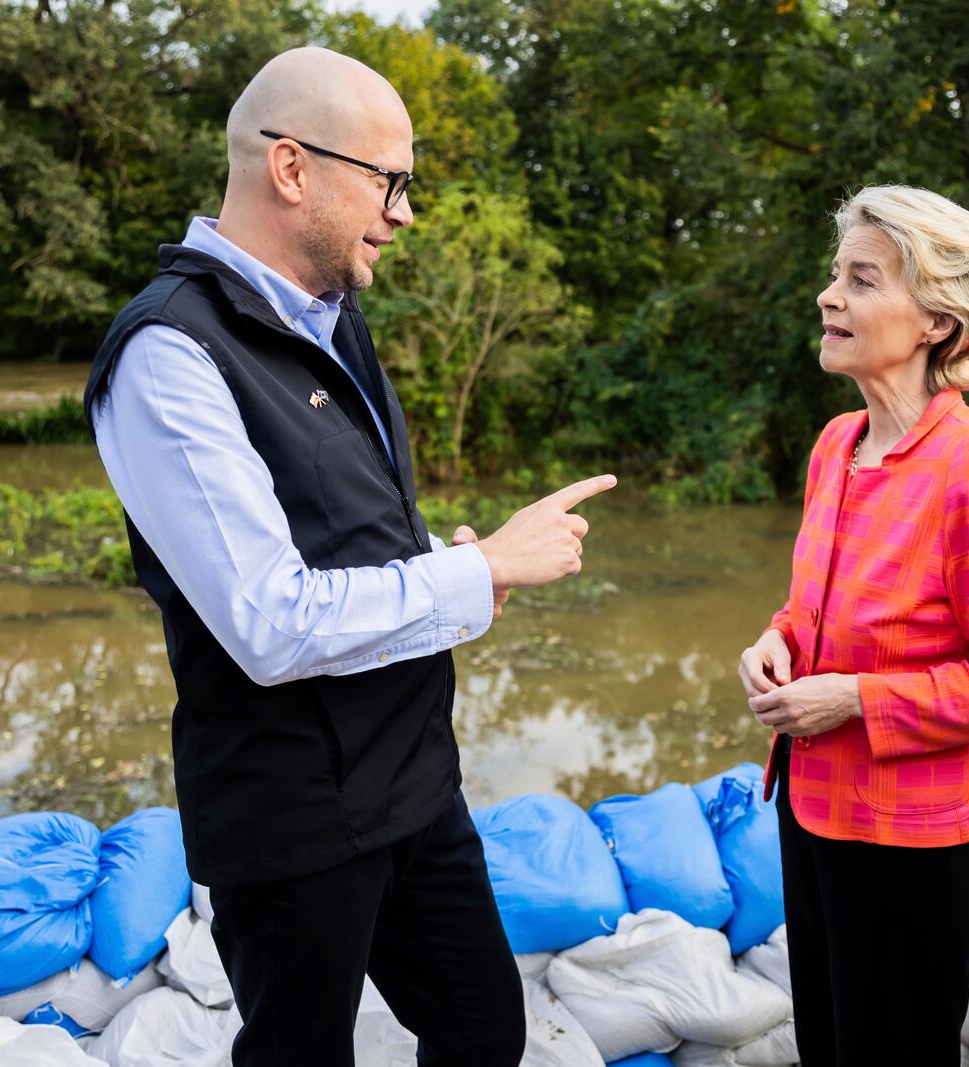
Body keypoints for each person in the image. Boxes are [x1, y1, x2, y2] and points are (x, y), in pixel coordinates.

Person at [82, 46, 614, 1067]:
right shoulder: (170, 354)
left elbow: (341, 517)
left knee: (480, 1026)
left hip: (412, 780)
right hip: (292, 818)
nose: (404, 212)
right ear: (292, 168)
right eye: (388, 181)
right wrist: (482, 569)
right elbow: (270, 621)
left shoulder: (331, 314)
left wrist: (443, 563)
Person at [736, 184, 969, 1066]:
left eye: (863, 279)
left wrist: (852, 697)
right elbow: (815, 607)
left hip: (915, 844)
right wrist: (776, 642)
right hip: (812, 813)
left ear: (937, 322)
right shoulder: (836, 445)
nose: (829, 296)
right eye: (836, 274)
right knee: (829, 1043)